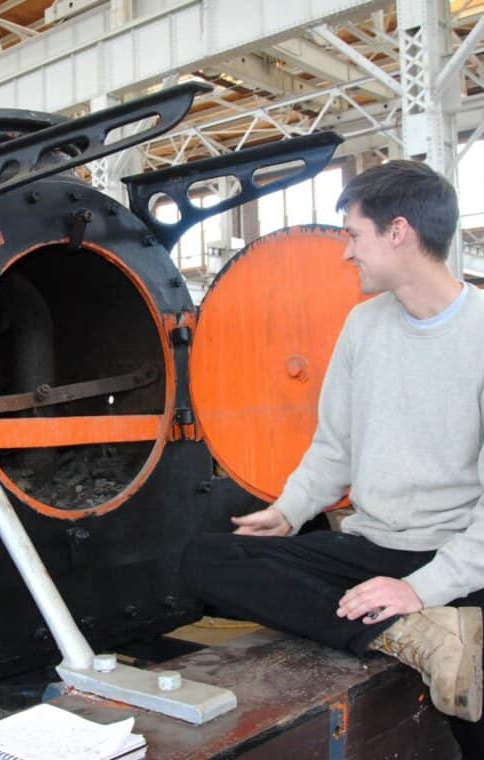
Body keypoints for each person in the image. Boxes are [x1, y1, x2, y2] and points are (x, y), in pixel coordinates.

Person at [181, 159, 484, 758]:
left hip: (456, 555)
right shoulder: (363, 325)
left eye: (353, 234)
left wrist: (423, 588)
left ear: (398, 232)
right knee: (206, 557)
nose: (347, 253)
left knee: (473, 726)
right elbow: (334, 446)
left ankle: (423, 627)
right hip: (371, 548)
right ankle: (412, 636)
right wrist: (291, 511)